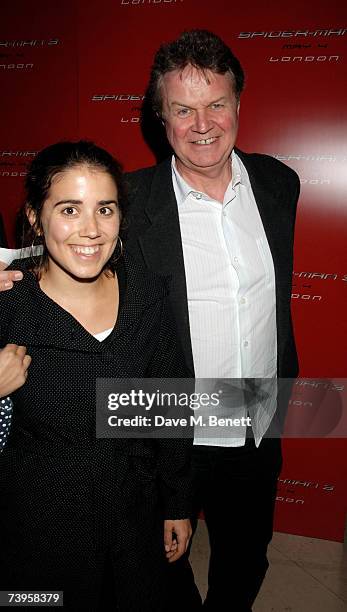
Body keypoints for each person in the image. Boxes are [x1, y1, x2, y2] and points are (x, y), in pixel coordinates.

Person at [0, 29, 300, 611]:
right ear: (160, 119)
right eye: (182, 109)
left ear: (239, 105)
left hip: (261, 412)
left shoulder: (278, 184)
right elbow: (73, 241)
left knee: (247, 555)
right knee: (158, 567)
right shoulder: (131, 202)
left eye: (216, 103)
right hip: (166, 417)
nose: (202, 123)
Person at [0, 140, 193, 611]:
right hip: (40, 533)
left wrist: (178, 503)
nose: (90, 230)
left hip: (134, 518)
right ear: (34, 216)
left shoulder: (143, 291)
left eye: (104, 209)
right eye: (69, 209)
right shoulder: (8, 302)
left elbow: (169, 407)